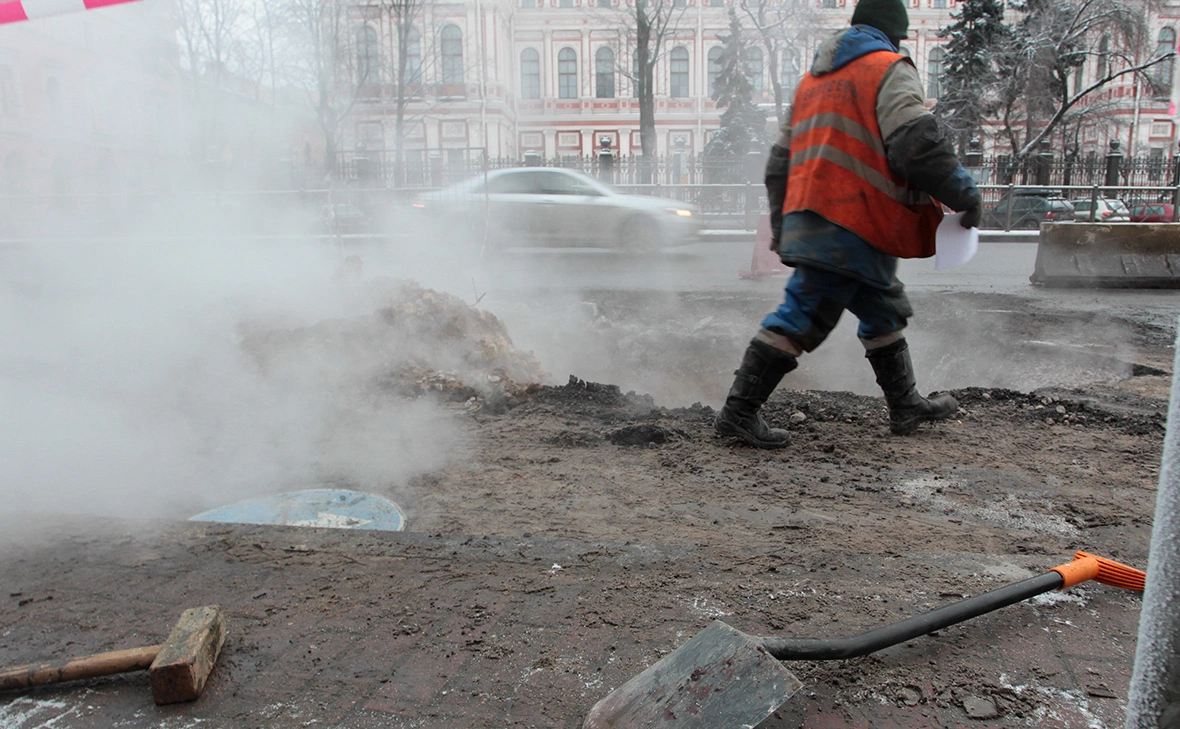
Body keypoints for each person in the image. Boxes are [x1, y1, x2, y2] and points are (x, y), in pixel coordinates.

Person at [714, 0, 983, 449]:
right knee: (804, 313)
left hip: (822, 220)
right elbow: (915, 143)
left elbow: (779, 163)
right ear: (894, 33)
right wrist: (964, 194)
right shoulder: (886, 67)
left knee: (882, 307)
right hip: (850, 219)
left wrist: (784, 227)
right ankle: (738, 414)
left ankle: (905, 406)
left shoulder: (812, 81)